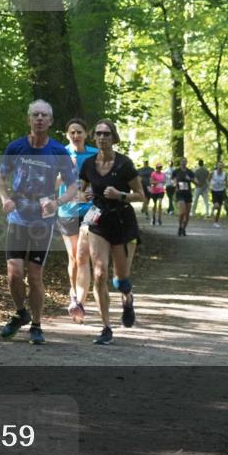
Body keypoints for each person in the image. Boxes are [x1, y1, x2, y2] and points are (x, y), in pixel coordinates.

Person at [0, 100, 77, 345]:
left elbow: (73, 185)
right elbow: (0, 176)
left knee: (35, 275)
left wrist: (58, 202)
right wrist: (5, 198)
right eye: (35, 115)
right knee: (14, 274)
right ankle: (21, 313)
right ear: (29, 120)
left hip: (43, 218)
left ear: (51, 121)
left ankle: (37, 325)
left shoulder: (58, 151)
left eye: (44, 115)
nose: (39, 118)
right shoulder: (16, 147)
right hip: (19, 214)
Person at [78, 119, 147, 345]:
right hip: (99, 221)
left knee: (121, 279)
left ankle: (127, 299)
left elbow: (141, 195)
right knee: (99, 274)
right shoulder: (88, 164)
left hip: (122, 222)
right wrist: (83, 195)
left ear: (114, 137)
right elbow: (81, 188)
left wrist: (120, 195)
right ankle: (106, 327)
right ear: (94, 137)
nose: (102, 137)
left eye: (107, 134)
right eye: (98, 133)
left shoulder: (124, 164)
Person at [57, 118, 98, 324]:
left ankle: (80, 304)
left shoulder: (94, 154)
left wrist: (94, 190)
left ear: (86, 133)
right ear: (67, 134)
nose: (76, 136)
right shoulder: (61, 154)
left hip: (91, 211)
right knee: (73, 258)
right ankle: (73, 293)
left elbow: (102, 179)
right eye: (72, 132)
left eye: (79, 132)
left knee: (83, 257)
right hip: (67, 210)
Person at [172, 156, 197, 236]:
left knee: (187, 214)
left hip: (188, 194)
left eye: (185, 161)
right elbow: (173, 180)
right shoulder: (176, 171)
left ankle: (184, 229)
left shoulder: (189, 172)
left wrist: (190, 179)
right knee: (182, 212)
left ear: (186, 163)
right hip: (180, 193)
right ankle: (180, 227)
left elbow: (197, 182)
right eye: (182, 161)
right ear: (180, 162)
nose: (184, 163)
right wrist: (174, 183)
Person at [210, 162, 228, 227]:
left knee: (219, 207)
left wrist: (226, 185)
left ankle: (216, 222)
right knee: (216, 205)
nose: (220, 167)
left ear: (223, 167)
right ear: (217, 166)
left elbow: (226, 182)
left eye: (221, 166)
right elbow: (208, 179)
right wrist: (210, 185)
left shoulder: (224, 174)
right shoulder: (213, 173)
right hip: (214, 191)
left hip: (221, 191)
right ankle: (212, 209)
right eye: (219, 166)